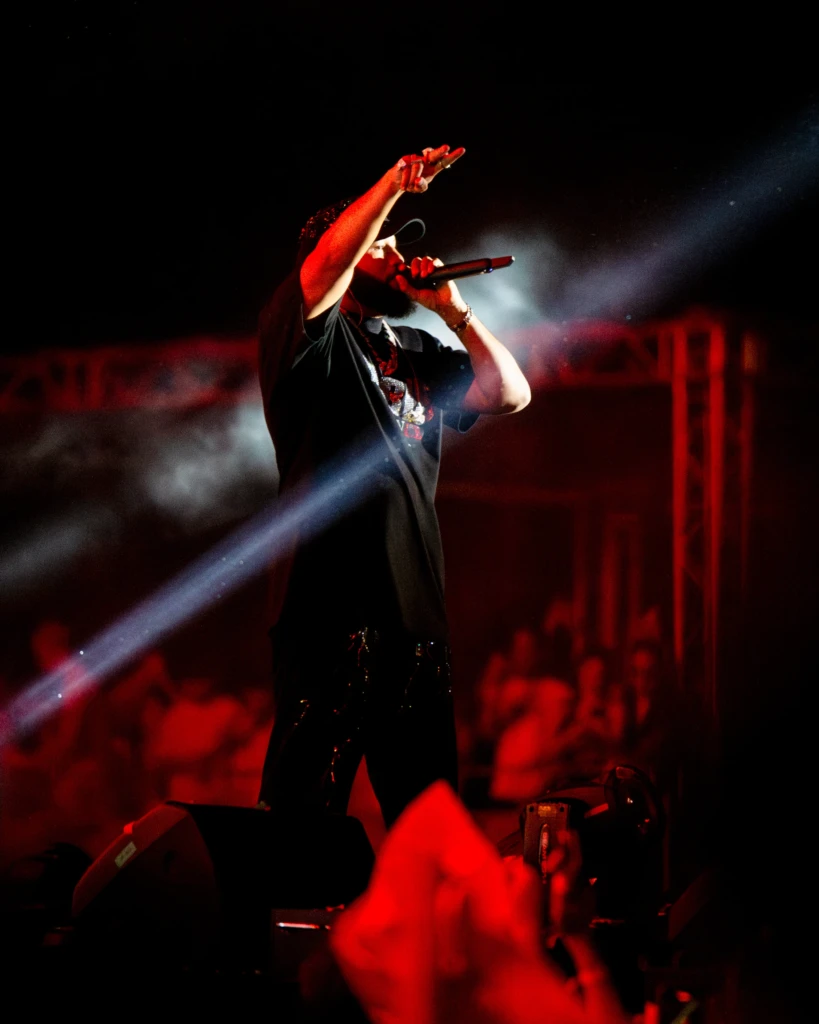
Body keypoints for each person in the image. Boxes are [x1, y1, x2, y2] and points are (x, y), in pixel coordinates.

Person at [256, 145, 531, 827]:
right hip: (328, 610)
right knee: (302, 815)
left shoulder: (417, 354)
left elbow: (510, 394)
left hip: (414, 618)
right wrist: (392, 186)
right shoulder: (307, 334)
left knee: (430, 819)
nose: (397, 253)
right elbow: (323, 267)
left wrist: (454, 312)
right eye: (380, 242)